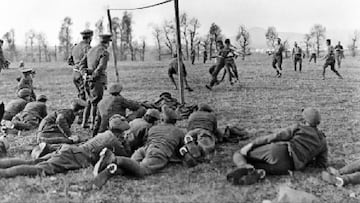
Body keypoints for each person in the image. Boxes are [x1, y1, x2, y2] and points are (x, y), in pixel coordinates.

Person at [0, 114, 131, 178]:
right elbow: (126, 157)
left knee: (33, 162)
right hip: (77, 156)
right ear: (120, 131)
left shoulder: (105, 133)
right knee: (41, 169)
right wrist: (125, 142)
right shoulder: (114, 140)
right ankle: (3, 173)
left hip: (70, 150)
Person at [226, 108, 328, 185]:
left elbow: (276, 136)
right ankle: (256, 173)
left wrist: (253, 144)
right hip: (288, 167)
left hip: (279, 151)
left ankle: (244, 166)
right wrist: (306, 159)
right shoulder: (323, 141)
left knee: (240, 153)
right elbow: (321, 164)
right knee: (260, 166)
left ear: (304, 119)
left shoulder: (299, 127)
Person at [92, 105, 185, 188]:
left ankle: (112, 170)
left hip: (144, 149)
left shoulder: (153, 128)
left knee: (131, 168)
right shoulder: (179, 132)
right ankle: (114, 159)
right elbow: (181, 150)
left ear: (163, 119)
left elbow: (147, 140)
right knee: (143, 170)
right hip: (158, 152)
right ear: (175, 121)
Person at [79, 34, 112, 129]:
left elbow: (81, 64)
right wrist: (93, 76)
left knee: (89, 101)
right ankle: (94, 124)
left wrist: (84, 74)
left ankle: (84, 122)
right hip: (97, 81)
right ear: (107, 43)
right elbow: (101, 67)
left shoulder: (91, 50)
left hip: (87, 80)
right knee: (96, 102)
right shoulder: (104, 52)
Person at [68, 29, 93, 124]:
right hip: (82, 74)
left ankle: (80, 116)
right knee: (85, 97)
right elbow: (91, 62)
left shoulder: (74, 47)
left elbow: (69, 61)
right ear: (90, 38)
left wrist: (76, 64)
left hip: (74, 74)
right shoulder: (88, 47)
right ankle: (81, 118)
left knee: (80, 95)